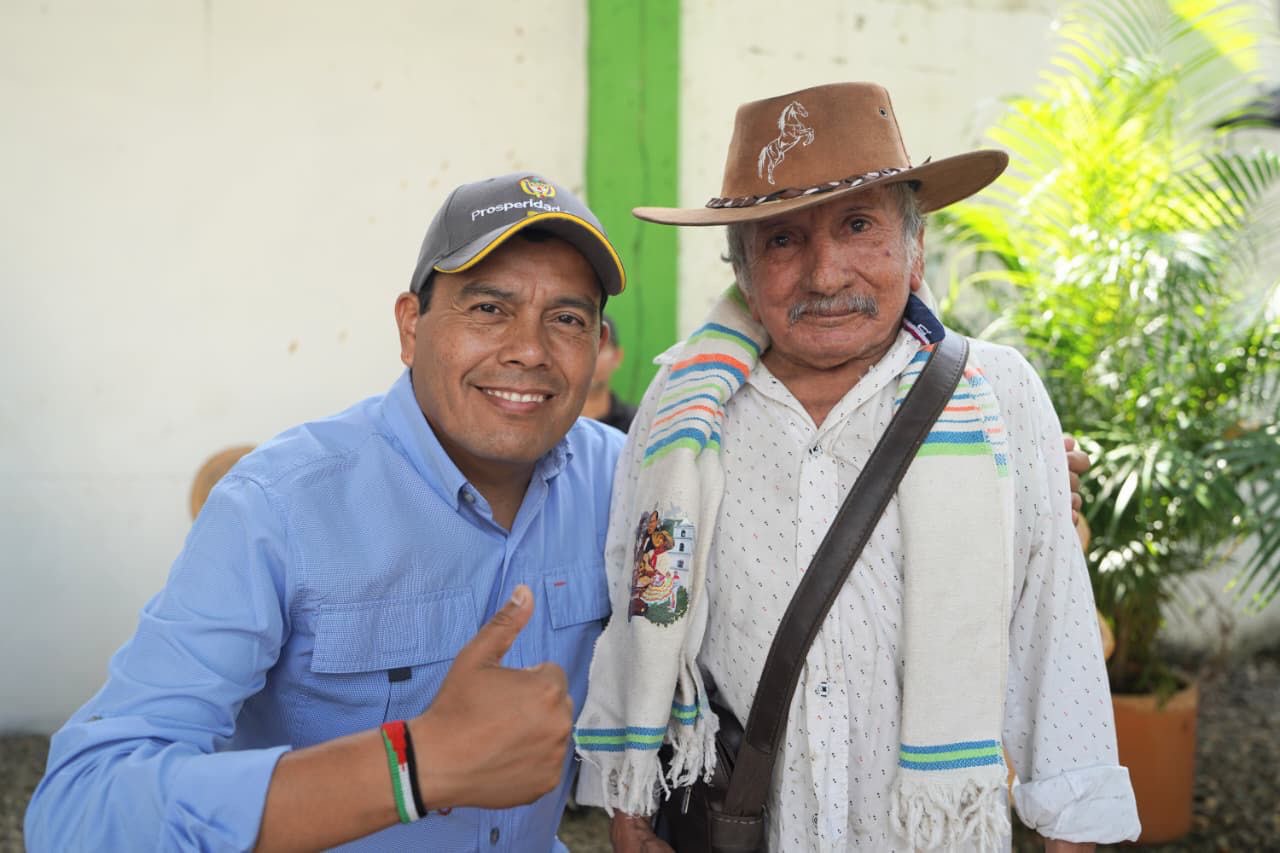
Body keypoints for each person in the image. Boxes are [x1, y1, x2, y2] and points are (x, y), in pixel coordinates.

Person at [574, 82, 1141, 852]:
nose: (826, 273)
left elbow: (1051, 628)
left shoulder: (993, 395)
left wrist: (1073, 834)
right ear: (743, 268)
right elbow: (634, 590)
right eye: (782, 239)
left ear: (915, 250)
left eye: (858, 225)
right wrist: (632, 811)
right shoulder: (683, 411)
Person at [25, 172, 629, 852]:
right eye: (489, 309)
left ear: (598, 345)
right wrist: (413, 765)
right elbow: (78, 810)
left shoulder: (628, 480)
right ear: (410, 326)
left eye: (568, 319)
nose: (529, 349)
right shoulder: (279, 509)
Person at [582, 314, 638, 432]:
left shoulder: (637, 425)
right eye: (582, 349)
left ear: (617, 357)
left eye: (599, 350)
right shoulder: (550, 424)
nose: (590, 360)